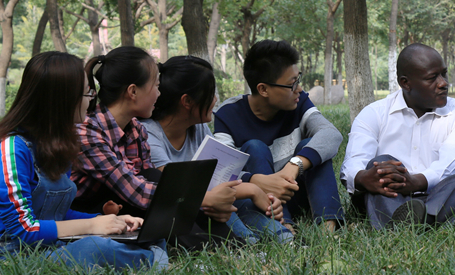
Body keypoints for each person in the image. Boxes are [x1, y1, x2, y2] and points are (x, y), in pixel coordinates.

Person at [0, 51, 165, 270]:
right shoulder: (10, 149)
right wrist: (91, 225)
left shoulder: (56, 146)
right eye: (87, 94)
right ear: (63, 100)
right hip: (1, 255)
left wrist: (111, 221)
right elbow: (24, 230)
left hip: (43, 247)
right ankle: (156, 263)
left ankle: (148, 256)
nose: (91, 102)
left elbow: (56, 213)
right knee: (94, 248)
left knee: (143, 235)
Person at [72, 46, 240, 238]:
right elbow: (135, 191)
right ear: (133, 91)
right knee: (156, 189)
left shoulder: (135, 129)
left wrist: (204, 202)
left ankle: (230, 243)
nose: (159, 94)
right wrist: (204, 199)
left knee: (156, 178)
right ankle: (205, 246)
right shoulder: (88, 133)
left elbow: (149, 180)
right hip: (87, 211)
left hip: (124, 202)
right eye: (156, 86)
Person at [141, 55, 288, 244]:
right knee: (218, 205)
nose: (216, 100)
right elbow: (176, 193)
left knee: (236, 201)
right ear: (187, 102)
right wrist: (252, 190)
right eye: (210, 94)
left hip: (208, 200)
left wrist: (256, 192)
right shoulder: (148, 135)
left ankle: (283, 237)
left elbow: (217, 178)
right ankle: (248, 243)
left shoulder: (197, 127)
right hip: (185, 211)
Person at [341, 44, 455, 230]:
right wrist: (364, 177)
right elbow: (352, 164)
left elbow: (452, 164)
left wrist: (415, 182)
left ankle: (401, 226)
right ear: (405, 83)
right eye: (432, 78)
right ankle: (419, 222)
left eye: (443, 74)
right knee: (383, 164)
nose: (443, 83)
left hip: (435, 195)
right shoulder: (374, 113)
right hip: (387, 194)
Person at [213, 40, 345, 234]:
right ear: (263, 89)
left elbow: (330, 134)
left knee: (313, 146)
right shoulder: (228, 114)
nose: (299, 89)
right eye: (292, 85)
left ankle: (328, 227)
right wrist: (256, 181)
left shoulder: (299, 103)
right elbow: (221, 172)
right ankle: (284, 226)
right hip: (258, 201)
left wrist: (295, 165)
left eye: (298, 80)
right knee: (254, 147)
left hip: (297, 192)